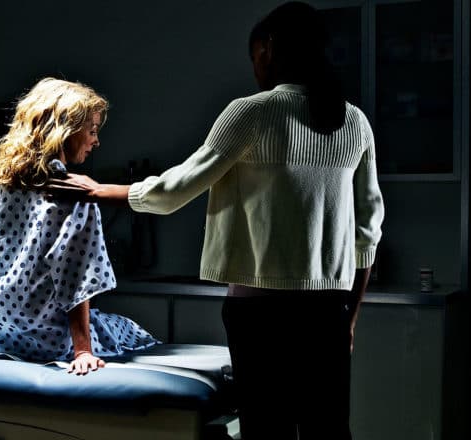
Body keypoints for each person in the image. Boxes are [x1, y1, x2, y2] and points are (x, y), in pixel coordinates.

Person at [47, 2, 384, 438]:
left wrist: (97, 190)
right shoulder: (354, 122)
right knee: (329, 431)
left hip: (259, 313)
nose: (254, 68)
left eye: (255, 56)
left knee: (266, 430)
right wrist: (348, 321)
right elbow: (368, 233)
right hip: (328, 315)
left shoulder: (253, 112)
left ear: (268, 49)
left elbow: (175, 190)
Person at [0, 77, 159, 375]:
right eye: (92, 131)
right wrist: (83, 351)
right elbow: (75, 275)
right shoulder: (75, 192)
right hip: (48, 341)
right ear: (65, 130)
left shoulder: (2, 182)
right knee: (132, 332)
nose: (97, 141)